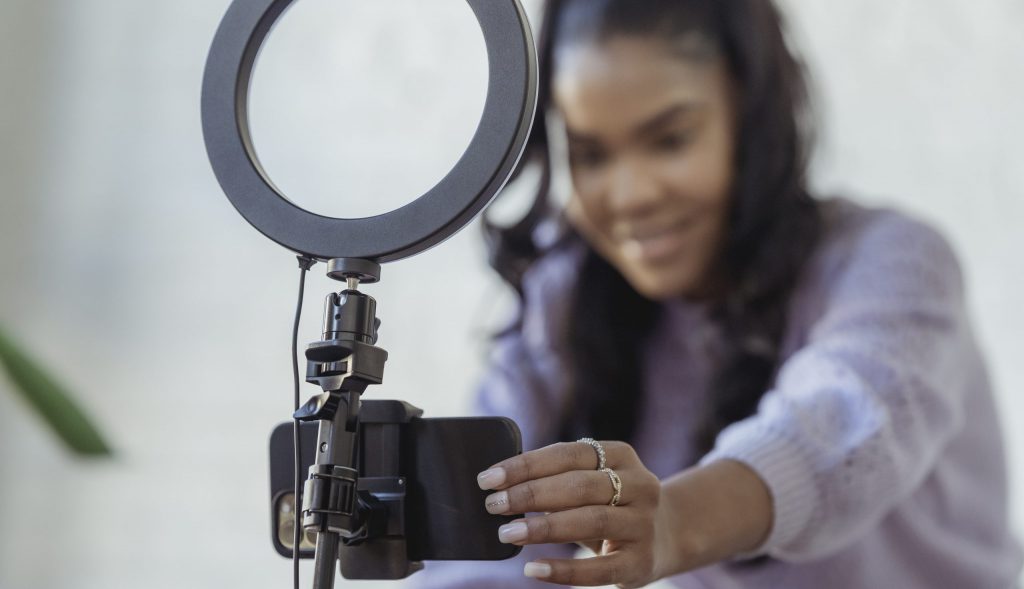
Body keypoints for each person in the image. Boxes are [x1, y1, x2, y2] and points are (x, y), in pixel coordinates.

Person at [410, 0, 1022, 587]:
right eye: (591, 155)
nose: (630, 195)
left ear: (748, 116)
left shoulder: (894, 262)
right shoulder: (564, 303)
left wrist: (673, 521)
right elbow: (482, 556)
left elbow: (839, 427)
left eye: (670, 140)